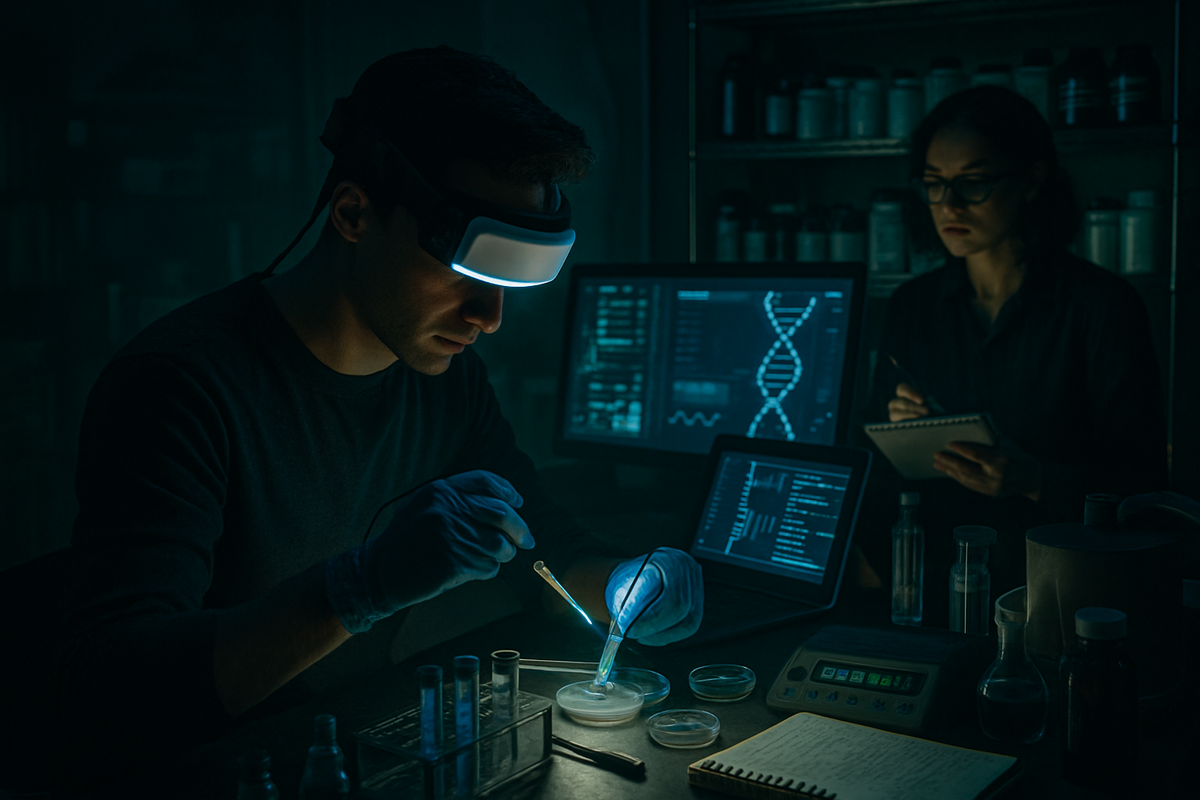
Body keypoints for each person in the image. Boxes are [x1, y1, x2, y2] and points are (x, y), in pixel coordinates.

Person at [55, 46, 703, 782]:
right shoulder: (180, 388)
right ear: (355, 213)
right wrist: (357, 588)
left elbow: (544, 551)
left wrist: (631, 584)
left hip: (356, 757)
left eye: (509, 281)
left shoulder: (444, 378)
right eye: (465, 271)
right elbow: (109, 695)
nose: (489, 316)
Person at [863, 85, 1167, 618]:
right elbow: (872, 471)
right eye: (934, 184)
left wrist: (1035, 481)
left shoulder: (1101, 307)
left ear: (1032, 178)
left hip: (1061, 599)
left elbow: (1144, 493)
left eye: (973, 182)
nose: (949, 205)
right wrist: (902, 430)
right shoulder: (912, 305)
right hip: (928, 590)